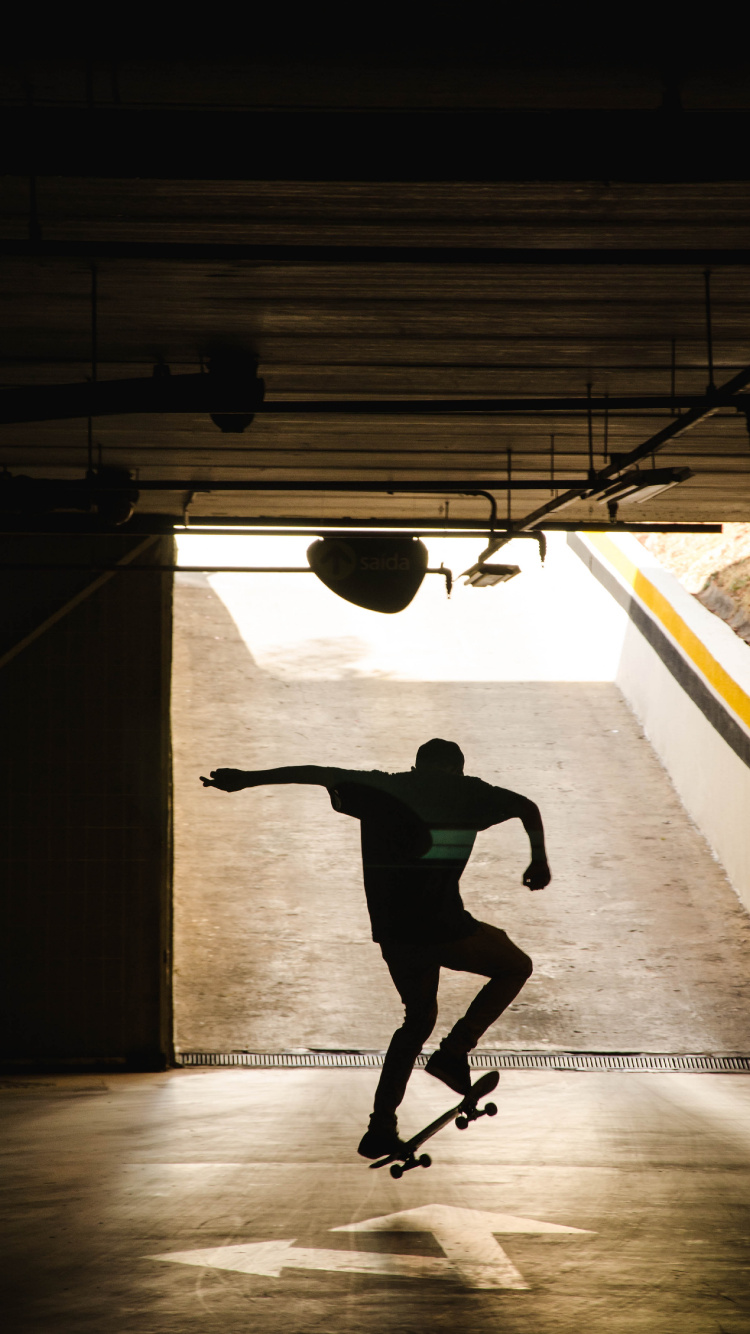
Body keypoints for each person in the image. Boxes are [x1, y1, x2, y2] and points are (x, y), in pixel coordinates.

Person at [200, 737, 550, 1159]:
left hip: (396, 934)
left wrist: (247, 779)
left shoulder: (385, 787)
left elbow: (315, 773)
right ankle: (455, 1051)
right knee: (515, 965)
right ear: (457, 768)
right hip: (444, 927)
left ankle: (381, 1125)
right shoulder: (470, 792)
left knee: (417, 1020)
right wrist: (538, 860)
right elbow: (527, 807)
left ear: (416, 766)